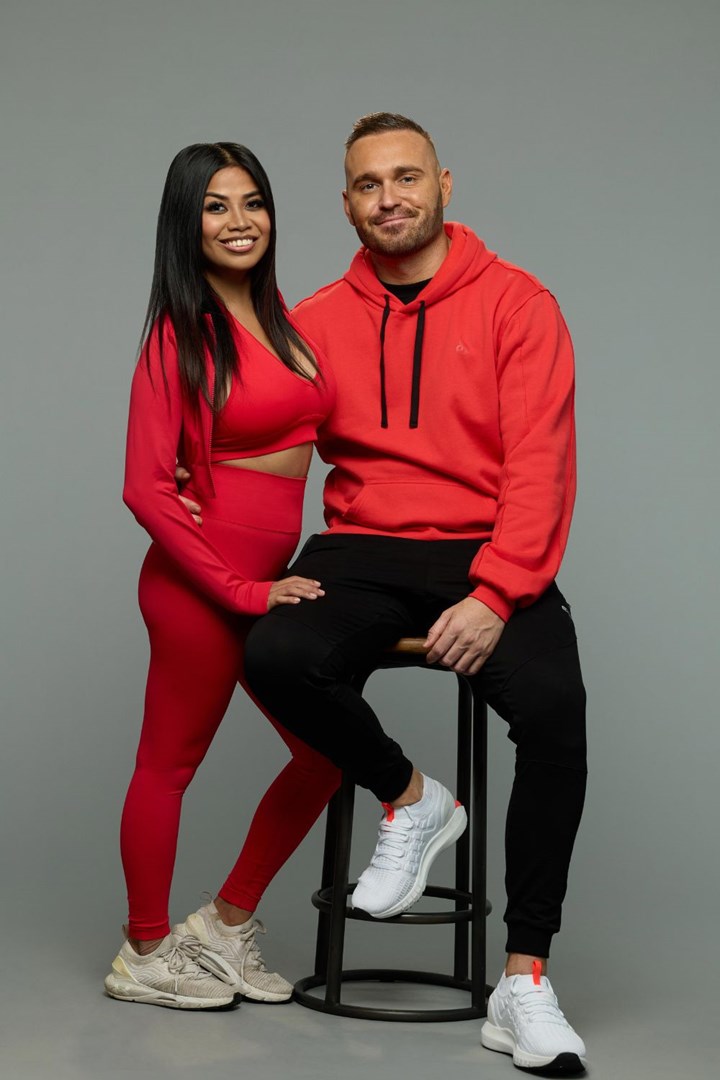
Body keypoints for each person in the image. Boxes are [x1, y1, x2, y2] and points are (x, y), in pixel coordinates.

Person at [240, 114, 588, 1072]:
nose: (388, 197)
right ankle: (411, 797)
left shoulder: (519, 304)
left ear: (443, 184)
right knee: (274, 654)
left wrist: (496, 593)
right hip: (358, 549)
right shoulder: (311, 320)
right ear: (345, 202)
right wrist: (218, 553)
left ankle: (523, 981)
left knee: (556, 713)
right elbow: (258, 444)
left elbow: (541, 467)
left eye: (404, 178)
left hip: (485, 552)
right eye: (365, 184)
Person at [105, 142, 340, 1011]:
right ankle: (144, 949)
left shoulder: (286, 319)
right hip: (200, 587)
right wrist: (239, 590)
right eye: (215, 207)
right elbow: (142, 486)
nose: (239, 221)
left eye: (252, 202)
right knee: (169, 764)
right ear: (187, 223)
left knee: (323, 756)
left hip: (271, 577)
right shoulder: (180, 330)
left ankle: (226, 926)